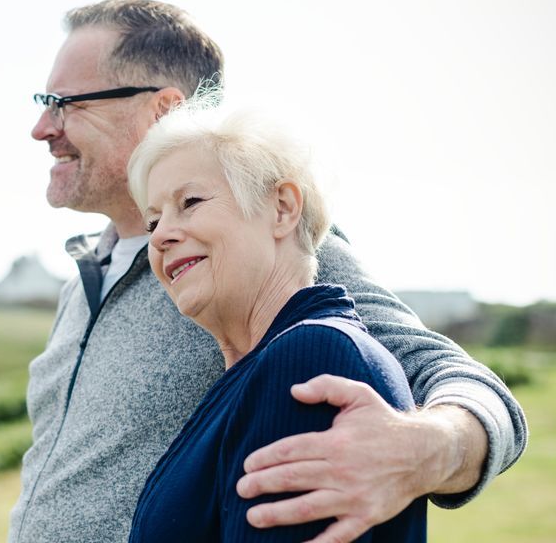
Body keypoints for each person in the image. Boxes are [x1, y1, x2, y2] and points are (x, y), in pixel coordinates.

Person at [9, 0, 526, 543]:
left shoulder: (266, 250)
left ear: (163, 109)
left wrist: (428, 449)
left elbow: (459, 382)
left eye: (65, 103)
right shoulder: (82, 281)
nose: (43, 128)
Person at [126, 97, 426, 542]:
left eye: (189, 202)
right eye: (152, 222)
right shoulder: (255, 372)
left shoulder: (309, 359)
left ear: (283, 208)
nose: (162, 236)